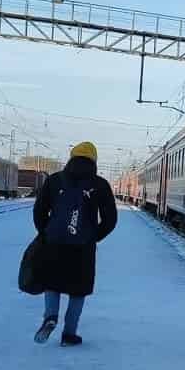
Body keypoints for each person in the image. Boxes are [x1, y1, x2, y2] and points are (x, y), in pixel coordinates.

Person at [32, 141, 117, 346]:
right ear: (94, 161)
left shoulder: (54, 181)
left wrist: (46, 232)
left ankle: (50, 317)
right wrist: (93, 236)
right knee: (79, 289)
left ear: (71, 158)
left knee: (52, 283)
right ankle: (69, 334)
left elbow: (39, 211)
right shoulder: (100, 184)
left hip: (54, 243)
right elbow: (110, 219)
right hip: (83, 247)